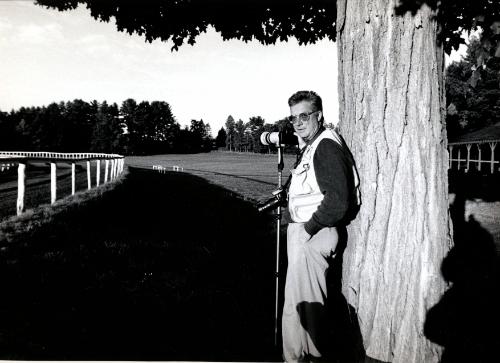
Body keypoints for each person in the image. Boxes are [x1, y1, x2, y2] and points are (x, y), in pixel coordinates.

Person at [282, 90, 359, 362]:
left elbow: (338, 200)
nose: (298, 123)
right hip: (306, 235)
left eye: (304, 116)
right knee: (296, 307)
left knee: (310, 314)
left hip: (313, 236)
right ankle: (294, 358)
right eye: (293, 119)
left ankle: (314, 358)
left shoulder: (325, 145)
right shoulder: (312, 145)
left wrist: (307, 230)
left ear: (319, 115)